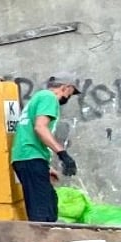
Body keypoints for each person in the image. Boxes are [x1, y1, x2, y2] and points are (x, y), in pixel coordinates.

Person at [10, 74, 81, 222]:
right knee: (42, 213)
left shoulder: (39, 97)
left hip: (29, 157)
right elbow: (40, 128)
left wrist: (46, 167)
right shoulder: (49, 97)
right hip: (30, 158)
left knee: (48, 205)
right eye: (71, 93)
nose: (69, 97)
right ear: (65, 87)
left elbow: (29, 134)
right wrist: (63, 154)